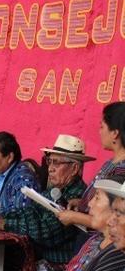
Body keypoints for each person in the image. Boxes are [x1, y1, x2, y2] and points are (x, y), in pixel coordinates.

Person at [0, 135, 94, 271]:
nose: (50, 168)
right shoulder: (52, 190)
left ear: (74, 168)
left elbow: (44, 232)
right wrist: (4, 217)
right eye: (50, 161)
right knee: (0, 269)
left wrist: (6, 223)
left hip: (61, 264)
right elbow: (29, 211)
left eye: (57, 163)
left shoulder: (78, 197)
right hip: (43, 259)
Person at [56, 102, 125, 240]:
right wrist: (82, 202)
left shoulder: (121, 170)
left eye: (102, 127)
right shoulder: (110, 163)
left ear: (115, 134)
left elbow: (112, 218)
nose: (99, 131)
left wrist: (75, 217)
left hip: (102, 239)